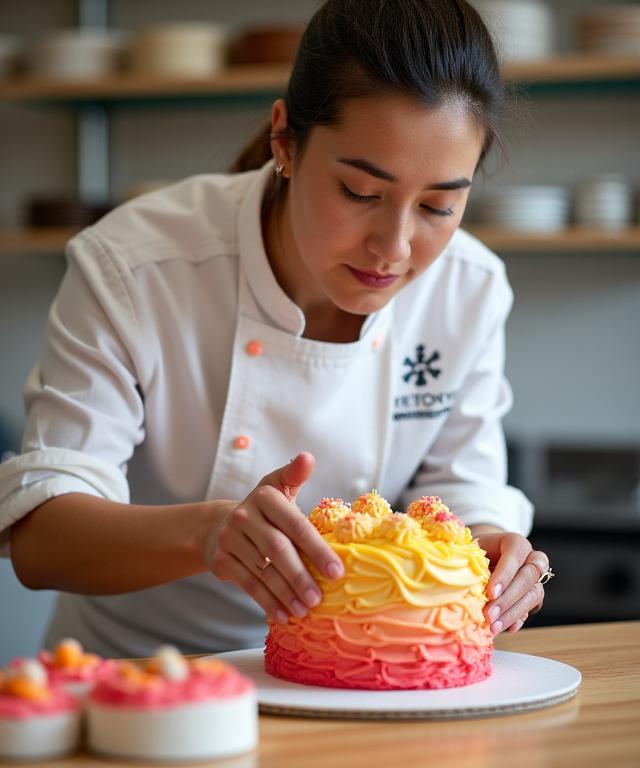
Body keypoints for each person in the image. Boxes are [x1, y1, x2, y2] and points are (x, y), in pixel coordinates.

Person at [0, 0, 551, 659]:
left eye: (438, 205)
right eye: (359, 192)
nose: (394, 247)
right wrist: (208, 533)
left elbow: (464, 485)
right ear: (285, 140)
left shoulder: (468, 287)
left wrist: (490, 543)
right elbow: (42, 538)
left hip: (356, 670)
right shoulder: (137, 265)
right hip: (139, 674)